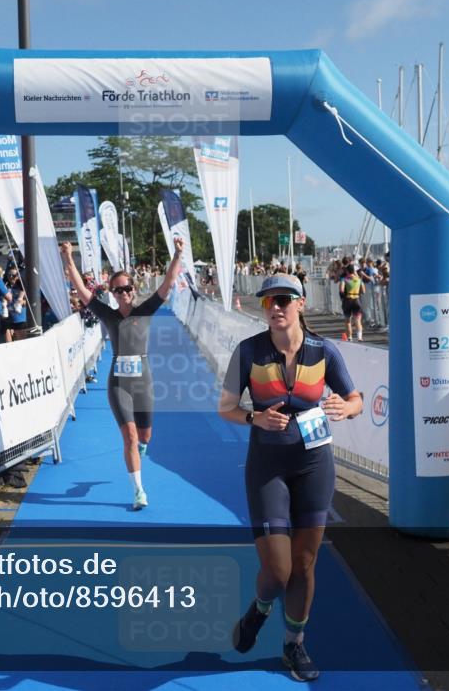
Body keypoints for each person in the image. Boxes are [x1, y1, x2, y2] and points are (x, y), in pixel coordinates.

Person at [218, 273, 362, 682]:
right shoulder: (249, 352)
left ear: (301, 303)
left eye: (283, 299)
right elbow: (225, 407)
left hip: (315, 465)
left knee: (304, 564)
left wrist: (346, 408)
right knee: (278, 570)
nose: (275, 307)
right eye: (268, 301)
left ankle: (293, 646)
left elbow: (356, 399)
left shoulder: (324, 351)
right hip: (267, 467)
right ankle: (259, 610)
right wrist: (254, 416)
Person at [60, 237, 184, 510]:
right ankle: (139, 491)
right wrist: (68, 259)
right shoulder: (107, 314)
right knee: (129, 436)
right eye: (117, 290)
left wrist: (177, 254)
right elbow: (81, 291)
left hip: (143, 383)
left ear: (133, 289)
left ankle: (140, 450)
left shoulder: (145, 310)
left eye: (126, 288)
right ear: (112, 294)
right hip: (118, 384)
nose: (123, 293)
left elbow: (168, 284)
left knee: (145, 437)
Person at [338, 264, 364, 341]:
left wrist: (343, 298)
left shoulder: (344, 279)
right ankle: (359, 337)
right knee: (358, 319)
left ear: (347, 271)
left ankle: (350, 337)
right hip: (356, 300)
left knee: (347, 320)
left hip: (348, 300)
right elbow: (363, 291)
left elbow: (341, 290)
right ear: (354, 271)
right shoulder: (359, 279)